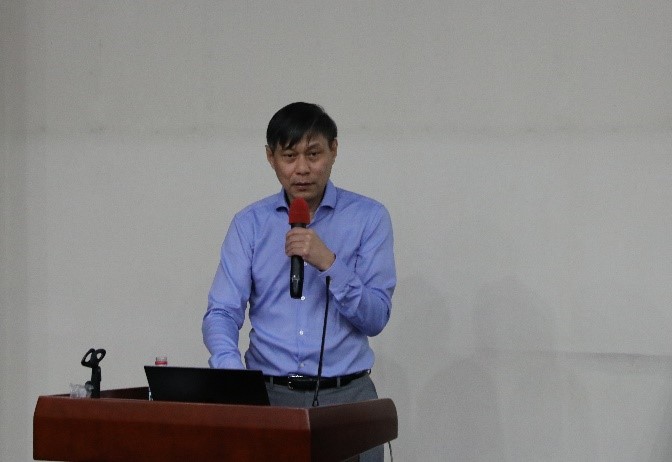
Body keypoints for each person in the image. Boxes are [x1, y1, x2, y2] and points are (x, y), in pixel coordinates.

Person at [202, 102, 396, 462]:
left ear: (334, 150)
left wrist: (329, 263)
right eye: (289, 156)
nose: (302, 169)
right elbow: (221, 313)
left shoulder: (369, 218)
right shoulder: (250, 224)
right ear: (271, 158)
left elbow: (376, 318)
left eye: (314, 154)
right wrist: (234, 380)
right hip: (268, 397)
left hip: (348, 399)